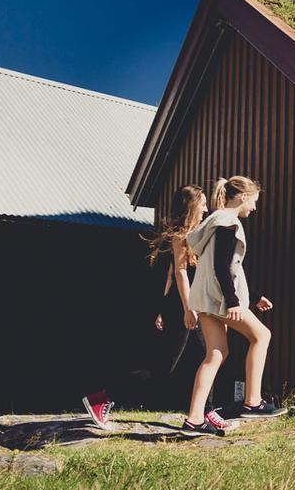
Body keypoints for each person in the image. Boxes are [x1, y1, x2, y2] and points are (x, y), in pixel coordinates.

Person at [81, 185, 231, 432]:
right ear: (192, 206)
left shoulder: (198, 235)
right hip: (183, 306)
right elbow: (180, 275)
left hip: (192, 305)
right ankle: (102, 398)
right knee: (162, 367)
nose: (206, 208)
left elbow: (171, 277)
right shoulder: (181, 236)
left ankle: (206, 411)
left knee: (209, 356)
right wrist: (185, 308)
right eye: (202, 204)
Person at [181, 176, 283, 435]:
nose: (255, 208)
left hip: (205, 298)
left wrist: (254, 296)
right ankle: (253, 401)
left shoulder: (213, 221)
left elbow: (225, 266)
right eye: (255, 202)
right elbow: (221, 267)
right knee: (262, 336)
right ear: (243, 197)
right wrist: (234, 302)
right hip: (220, 299)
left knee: (215, 354)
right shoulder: (228, 222)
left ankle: (194, 419)